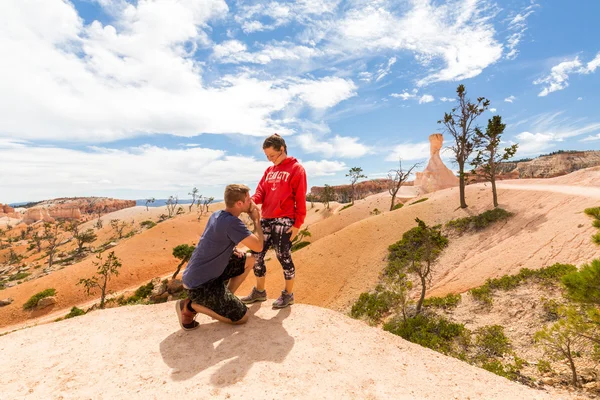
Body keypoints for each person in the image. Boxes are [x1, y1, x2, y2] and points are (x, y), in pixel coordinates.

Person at [176, 184, 264, 331]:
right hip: (200, 285)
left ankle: (223, 302)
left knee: (249, 259)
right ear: (239, 204)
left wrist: (232, 249)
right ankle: (190, 306)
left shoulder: (217, 214)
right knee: (242, 317)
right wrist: (256, 219)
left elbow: (213, 239)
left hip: (200, 275)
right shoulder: (232, 222)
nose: (251, 201)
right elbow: (258, 246)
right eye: (248, 199)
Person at [240, 134, 307, 308]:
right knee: (257, 256)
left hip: (285, 220)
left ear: (282, 149)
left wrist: (297, 225)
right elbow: (260, 192)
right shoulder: (269, 171)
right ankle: (260, 292)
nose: (270, 160)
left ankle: (288, 294)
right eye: (267, 157)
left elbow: (300, 199)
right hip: (267, 219)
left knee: (283, 256)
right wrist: (250, 201)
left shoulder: (296, 169)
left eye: (272, 155)